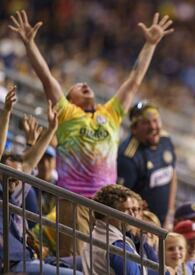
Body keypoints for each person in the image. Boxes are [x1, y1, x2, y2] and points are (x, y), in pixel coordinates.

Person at [9, 9, 174, 256]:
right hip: (74, 202)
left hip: (109, 207)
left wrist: (150, 44)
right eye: (77, 87)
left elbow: (135, 79)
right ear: (68, 99)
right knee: (77, 263)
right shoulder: (67, 114)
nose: (85, 85)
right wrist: (29, 43)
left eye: (85, 84)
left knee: (109, 265)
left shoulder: (110, 113)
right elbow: (46, 77)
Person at [0, 86, 78, 274]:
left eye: (18, 177)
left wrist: (51, 129)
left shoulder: (15, 193)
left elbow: (27, 163)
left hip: (32, 256)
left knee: (86, 263)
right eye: (10, 176)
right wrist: (7, 113)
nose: (15, 180)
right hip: (15, 264)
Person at [118, 101, 177, 229]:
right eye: (146, 123)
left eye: (155, 120)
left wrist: (170, 214)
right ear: (134, 128)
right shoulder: (128, 157)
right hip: (140, 227)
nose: (153, 126)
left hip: (164, 222)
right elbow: (121, 200)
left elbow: (172, 174)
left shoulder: (165, 140)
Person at [81, 184, 147, 275]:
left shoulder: (92, 237)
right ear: (110, 213)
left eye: (134, 210)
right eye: (127, 210)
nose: (133, 215)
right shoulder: (118, 246)